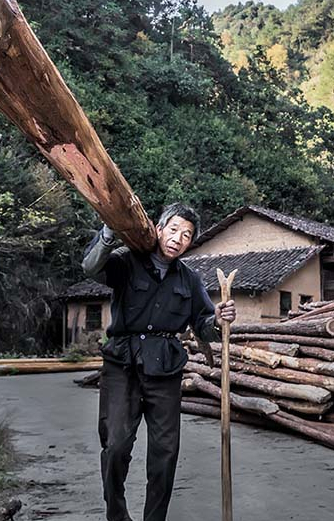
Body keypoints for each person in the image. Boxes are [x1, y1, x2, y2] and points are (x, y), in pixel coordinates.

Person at [82, 203, 237, 521]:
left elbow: (203, 323)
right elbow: (91, 268)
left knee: (165, 454)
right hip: (122, 365)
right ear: (159, 228)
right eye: (174, 229)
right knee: (115, 446)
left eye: (187, 235)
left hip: (164, 369)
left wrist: (218, 318)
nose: (179, 238)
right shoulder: (128, 262)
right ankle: (117, 516)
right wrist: (109, 233)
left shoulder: (189, 280)